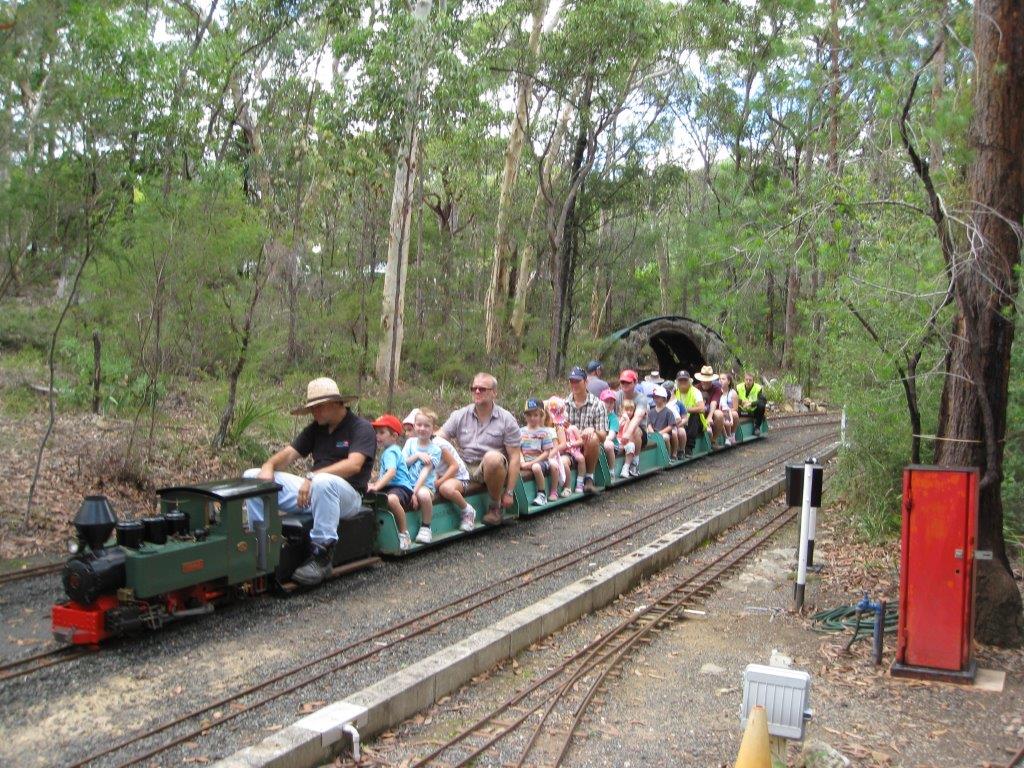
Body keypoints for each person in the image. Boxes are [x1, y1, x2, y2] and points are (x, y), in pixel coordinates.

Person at [244, 377, 376, 586]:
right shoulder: (316, 428)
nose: (315, 413)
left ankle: (321, 555)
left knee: (324, 481)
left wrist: (312, 477)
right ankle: (263, 543)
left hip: (347, 497)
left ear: (336, 403)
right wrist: (268, 465)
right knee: (251, 476)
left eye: (319, 407)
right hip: (314, 491)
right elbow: (288, 455)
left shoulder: (361, 428)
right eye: (312, 409)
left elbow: (354, 465)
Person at [437, 372, 522, 526]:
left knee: (493, 459)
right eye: (474, 388)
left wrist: (509, 492)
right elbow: (439, 437)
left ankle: (495, 507)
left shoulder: (506, 419)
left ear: (494, 393)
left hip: (491, 468)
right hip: (463, 466)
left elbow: (515, 457)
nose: (477, 391)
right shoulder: (459, 415)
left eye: (482, 389)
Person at [367, 414, 413, 551]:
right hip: (390, 486)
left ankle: (404, 533)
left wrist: (376, 486)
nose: (378, 436)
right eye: (376, 433)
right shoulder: (389, 451)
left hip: (401, 487)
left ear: (394, 436)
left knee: (392, 500)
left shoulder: (391, 452)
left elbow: (391, 472)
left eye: (382, 433)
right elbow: (385, 475)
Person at [402, 408, 445, 543]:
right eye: (419, 425)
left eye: (427, 426)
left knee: (423, 495)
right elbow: (403, 464)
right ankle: (402, 530)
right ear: (414, 426)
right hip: (407, 482)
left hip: (424, 485)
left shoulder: (435, 450)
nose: (422, 428)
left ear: (433, 429)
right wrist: (417, 456)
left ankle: (426, 527)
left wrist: (414, 492)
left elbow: (425, 472)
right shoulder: (410, 443)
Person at [565, 365, 608, 494]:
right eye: (572, 381)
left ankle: (589, 478)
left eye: (577, 381)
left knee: (593, 438)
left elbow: (603, 435)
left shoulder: (598, 404)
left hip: (588, 446)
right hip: (570, 446)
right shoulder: (563, 404)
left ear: (586, 382)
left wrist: (592, 430)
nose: (574, 384)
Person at [520, 398, 558, 505]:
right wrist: (522, 462)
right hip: (525, 461)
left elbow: (546, 453)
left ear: (541, 416)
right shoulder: (521, 432)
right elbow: (518, 450)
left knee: (536, 467)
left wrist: (531, 463)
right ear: (525, 416)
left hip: (541, 461)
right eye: (529, 415)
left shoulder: (544, 433)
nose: (532, 418)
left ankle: (541, 494)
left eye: (535, 415)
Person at [546, 395, 585, 495]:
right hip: (550, 453)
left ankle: (567, 486)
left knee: (563, 462)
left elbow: (563, 445)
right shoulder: (545, 427)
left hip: (566, 453)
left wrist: (553, 451)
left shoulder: (559, 427)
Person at [615, 369, 648, 476]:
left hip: (638, 433)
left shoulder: (641, 398)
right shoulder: (617, 396)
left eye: (628, 382)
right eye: (622, 382)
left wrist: (627, 433)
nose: (625, 384)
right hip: (619, 429)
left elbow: (638, 417)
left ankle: (635, 462)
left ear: (635, 382)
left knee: (635, 430)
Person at [673, 370, 705, 458]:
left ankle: (689, 447)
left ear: (689, 381)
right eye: (680, 380)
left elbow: (702, 408)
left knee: (694, 416)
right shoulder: (674, 392)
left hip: (695, 424)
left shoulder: (695, 392)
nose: (683, 382)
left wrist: (686, 410)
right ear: (677, 382)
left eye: (685, 380)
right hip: (680, 420)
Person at [694, 365, 726, 447]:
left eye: (707, 380)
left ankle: (713, 440)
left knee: (719, 414)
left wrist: (709, 416)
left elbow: (713, 403)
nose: (704, 382)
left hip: (711, 412)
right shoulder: (695, 388)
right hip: (699, 412)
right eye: (703, 380)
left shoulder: (716, 389)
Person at [647, 384, 681, 458]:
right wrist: (652, 432)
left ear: (664, 399)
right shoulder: (651, 411)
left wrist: (660, 433)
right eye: (654, 397)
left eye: (657, 397)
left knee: (665, 437)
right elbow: (649, 424)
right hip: (653, 432)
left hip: (664, 432)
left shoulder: (668, 412)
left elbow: (671, 426)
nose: (655, 399)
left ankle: (667, 455)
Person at [599, 388, 619, 472]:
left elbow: (611, 435)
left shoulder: (613, 418)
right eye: (607, 401)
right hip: (598, 441)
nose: (609, 404)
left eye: (612, 402)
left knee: (608, 445)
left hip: (611, 444)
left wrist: (600, 441)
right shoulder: (595, 414)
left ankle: (611, 471)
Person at [617, 399, 639, 477]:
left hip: (626, 442)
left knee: (631, 446)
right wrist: (623, 420)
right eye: (626, 410)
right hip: (617, 441)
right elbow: (616, 429)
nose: (629, 412)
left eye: (631, 410)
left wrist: (628, 421)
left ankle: (626, 468)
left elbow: (627, 434)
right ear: (621, 410)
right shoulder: (617, 418)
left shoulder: (632, 421)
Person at [719, 372, 739, 445]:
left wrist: (727, 411)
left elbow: (735, 408)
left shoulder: (733, 393)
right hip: (720, 412)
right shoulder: (718, 392)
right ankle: (727, 436)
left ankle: (732, 434)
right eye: (720, 379)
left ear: (728, 382)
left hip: (729, 412)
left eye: (723, 379)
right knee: (721, 416)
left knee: (734, 414)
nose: (721, 380)